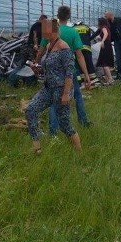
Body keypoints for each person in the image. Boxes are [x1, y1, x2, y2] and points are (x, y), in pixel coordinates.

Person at [26, 18, 82, 153]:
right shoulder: (49, 46)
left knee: (65, 125)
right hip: (48, 88)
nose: (43, 33)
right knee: (31, 110)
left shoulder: (64, 47)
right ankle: (36, 148)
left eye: (46, 30)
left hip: (61, 89)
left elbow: (69, 73)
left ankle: (80, 154)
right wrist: (37, 68)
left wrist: (66, 94)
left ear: (53, 30)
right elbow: (51, 68)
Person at [36, 6, 92, 132]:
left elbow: (41, 50)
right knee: (77, 95)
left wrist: (36, 63)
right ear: (69, 17)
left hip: (52, 70)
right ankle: (83, 121)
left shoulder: (50, 27)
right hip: (69, 70)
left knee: (53, 99)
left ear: (57, 15)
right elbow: (79, 55)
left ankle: (53, 131)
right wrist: (86, 74)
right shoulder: (73, 32)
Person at [95, 17, 115, 84]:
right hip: (107, 45)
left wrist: (102, 41)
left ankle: (110, 79)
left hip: (106, 45)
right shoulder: (107, 27)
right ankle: (107, 78)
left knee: (105, 63)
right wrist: (100, 39)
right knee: (104, 63)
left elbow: (105, 34)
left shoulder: (103, 27)